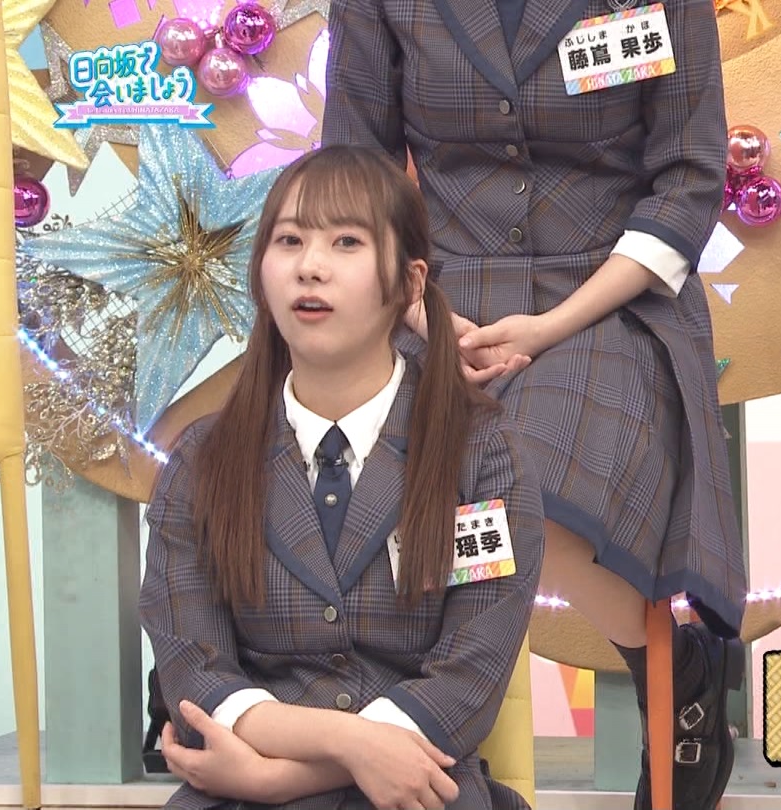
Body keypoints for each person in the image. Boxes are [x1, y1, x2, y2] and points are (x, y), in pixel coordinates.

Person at [321, 1, 748, 807]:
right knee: (368, 505)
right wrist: (421, 312)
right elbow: (353, 176)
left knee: (528, 477)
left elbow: (687, 180)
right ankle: (418, 739)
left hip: (610, 295)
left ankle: (671, 670)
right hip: (433, 299)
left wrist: (554, 323)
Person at [139, 145, 543, 810]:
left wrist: (276, 779)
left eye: (346, 242)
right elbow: (195, 672)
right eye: (289, 240)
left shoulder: (482, 454)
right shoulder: (201, 461)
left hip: (419, 790)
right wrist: (350, 745)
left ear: (410, 283)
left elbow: (470, 677)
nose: (310, 266)